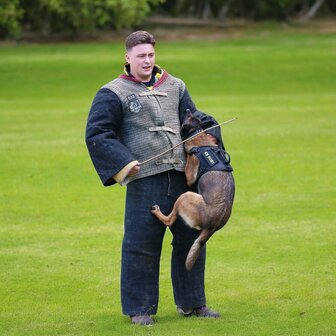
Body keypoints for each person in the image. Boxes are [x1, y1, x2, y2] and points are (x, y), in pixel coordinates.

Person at [85, 30, 223, 326]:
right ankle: (140, 309)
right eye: (141, 56)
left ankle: (193, 304)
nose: (147, 61)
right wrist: (123, 163)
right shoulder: (113, 92)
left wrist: (209, 137)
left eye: (150, 55)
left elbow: (192, 122)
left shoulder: (175, 85)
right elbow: (97, 133)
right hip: (145, 178)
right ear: (127, 58)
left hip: (183, 178)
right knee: (141, 244)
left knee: (192, 239)